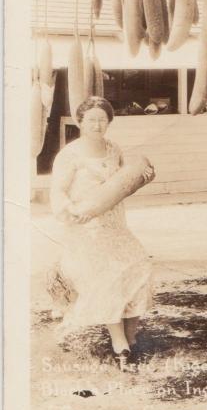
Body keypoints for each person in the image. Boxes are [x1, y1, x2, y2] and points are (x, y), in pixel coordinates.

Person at [49, 96, 155, 368]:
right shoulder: (70, 155)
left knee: (140, 269)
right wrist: (72, 211)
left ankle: (131, 340)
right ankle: (119, 342)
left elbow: (121, 184)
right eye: (91, 120)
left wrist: (143, 177)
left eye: (102, 120)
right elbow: (58, 192)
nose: (97, 125)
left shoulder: (113, 149)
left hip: (116, 224)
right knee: (108, 279)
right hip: (87, 227)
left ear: (109, 122)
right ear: (80, 122)